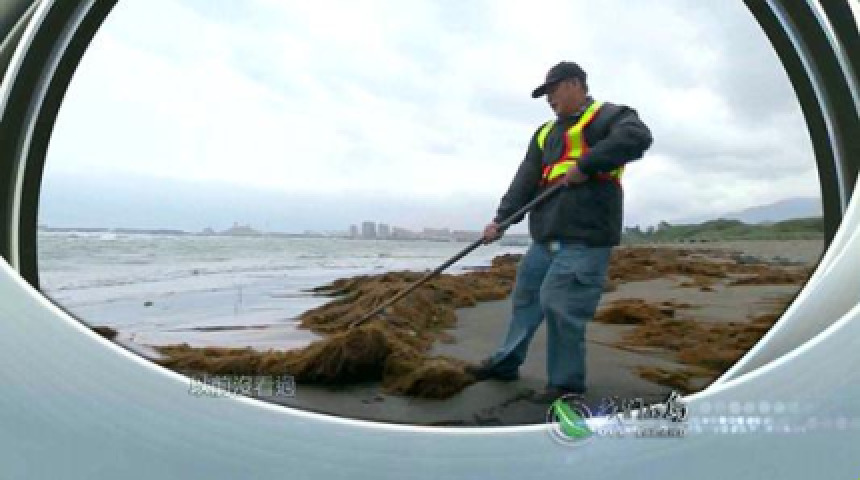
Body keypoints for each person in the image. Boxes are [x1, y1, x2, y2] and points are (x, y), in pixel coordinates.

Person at [466, 61, 652, 400]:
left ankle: (566, 385)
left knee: (561, 303)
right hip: (545, 237)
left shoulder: (611, 116)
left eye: (553, 90)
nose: (549, 99)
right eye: (546, 94)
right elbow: (525, 179)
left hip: (586, 238)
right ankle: (506, 363)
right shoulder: (543, 133)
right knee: (526, 299)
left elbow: (638, 138)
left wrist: (586, 165)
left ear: (575, 84)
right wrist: (501, 220)